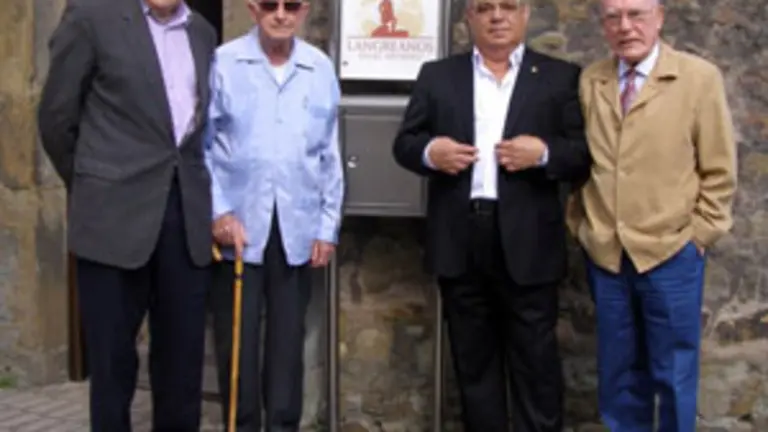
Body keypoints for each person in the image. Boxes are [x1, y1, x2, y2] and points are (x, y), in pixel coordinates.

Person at [392, 0, 591, 430]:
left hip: (529, 240)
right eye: (484, 8)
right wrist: (431, 151)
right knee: (474, 364)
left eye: (507, 7)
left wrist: (544, 153)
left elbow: (582, 153)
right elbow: (405, 143)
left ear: (525, 14)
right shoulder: (438, 75)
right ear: (469, 18)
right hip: (461, 236)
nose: (496, 16)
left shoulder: (559, 77)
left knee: (536, 364)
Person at [36, 0, 218, 430]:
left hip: (184, 218)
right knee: (113, 368)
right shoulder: (91, 17)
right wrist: (95, 184)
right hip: (112, 219)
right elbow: (56, 117)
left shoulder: (202, 33)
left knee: (181, 367)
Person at [567, 0, 738, 429]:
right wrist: (583, 226)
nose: (625, 26)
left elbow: (719, 168)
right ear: (603, 24)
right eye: (613, 17)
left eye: (636, 15)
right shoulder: (592, 80)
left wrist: (700, 234)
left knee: (673, 373)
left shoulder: (697, 79)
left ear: (659, 18)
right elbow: (579, 160)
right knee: (619, 374)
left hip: (671, 252)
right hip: (607, 254)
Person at [204, 0, 344, 430]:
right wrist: (218, 212)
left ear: (303, 11)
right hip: (239, 229)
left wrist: (327, 226)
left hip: (296, 227)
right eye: (270, 5)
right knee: (237, 344)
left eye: (291, 5)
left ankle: (283, 426)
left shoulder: (319, 68)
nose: (280, 14)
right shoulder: (224, 62)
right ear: (253, 9)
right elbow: (202, 145)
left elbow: (329, 152)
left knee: (287, 344)